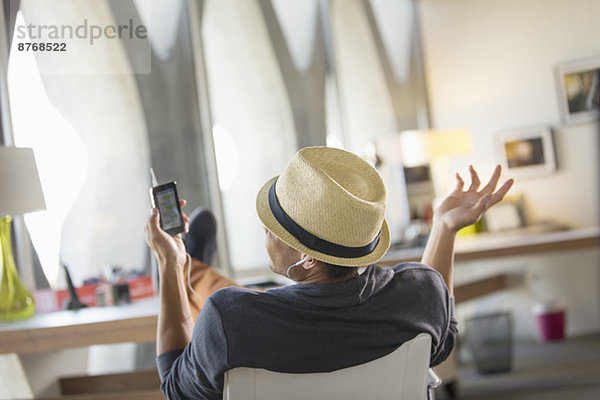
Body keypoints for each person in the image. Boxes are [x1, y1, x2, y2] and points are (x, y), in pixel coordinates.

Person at [144, 146, 513, 400]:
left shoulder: (231, 317)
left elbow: (177, 389)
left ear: (308, 258)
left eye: (275, 228)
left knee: (214, 285)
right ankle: (198, 266)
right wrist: (444, 228)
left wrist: (170, 265)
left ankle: (193, 266)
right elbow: (439, 334)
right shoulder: (420, 292)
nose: (266, 232)